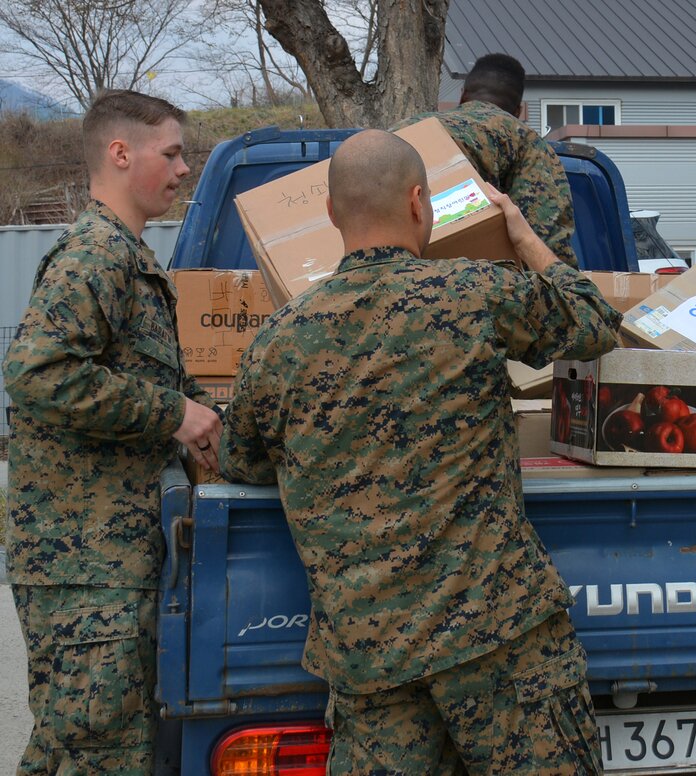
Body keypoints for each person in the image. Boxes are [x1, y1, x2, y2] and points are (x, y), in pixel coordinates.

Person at [218, 129, 620, 771]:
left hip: (370, 656)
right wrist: (518, 231)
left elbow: (238, 460)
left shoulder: (279, 341)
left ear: (330, 214)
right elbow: (592, 321)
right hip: (496, 635)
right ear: (417, 203)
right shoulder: (474, 293)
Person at [3, 89, 222, 772]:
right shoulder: (94, 255)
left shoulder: (129, 257)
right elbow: (39, 373)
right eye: (172, 153)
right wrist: (174, 414)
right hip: (81, 563)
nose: (184, 168)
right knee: (91, 750)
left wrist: (206, 418)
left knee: (105, 745)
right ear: (120, 154)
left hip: (110, 555)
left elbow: (143, 378)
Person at [394, 52, 579, 267]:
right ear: (517, 110)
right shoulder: (525, 141)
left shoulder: (402, 129)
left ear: (463, 96)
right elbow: (547, 249)